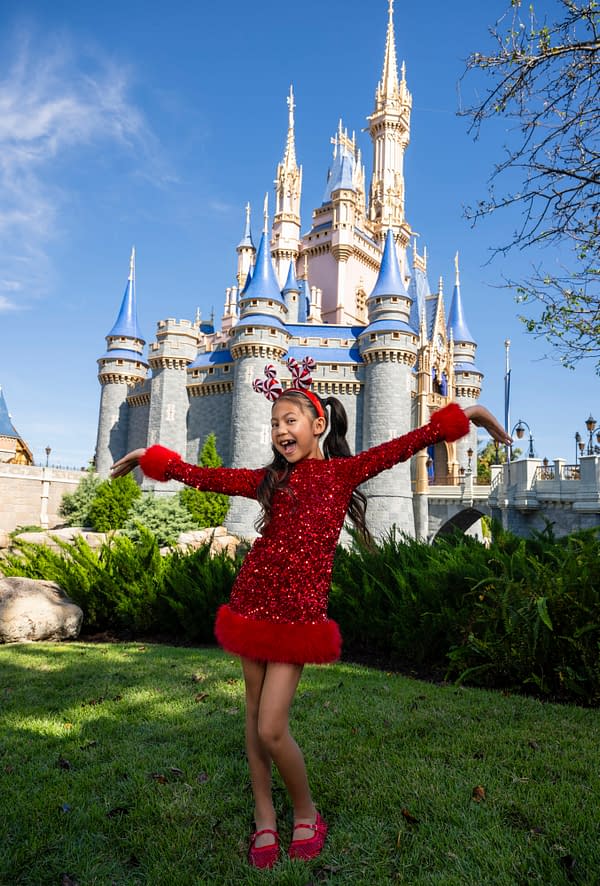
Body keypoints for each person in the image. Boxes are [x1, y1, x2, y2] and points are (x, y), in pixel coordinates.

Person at [111, 363, 510, 870]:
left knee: (273, 728)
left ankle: (306, 811)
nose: (280, 431)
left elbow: (400, 447)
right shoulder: (268, 480)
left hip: (298, 616)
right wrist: (157, 458)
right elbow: (207, 477)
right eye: (275, 423)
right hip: (252, 601)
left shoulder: (342, 472)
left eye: (290, 420)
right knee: (254, 723)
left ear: (317, 424)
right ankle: (263, 817)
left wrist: (465, 414)